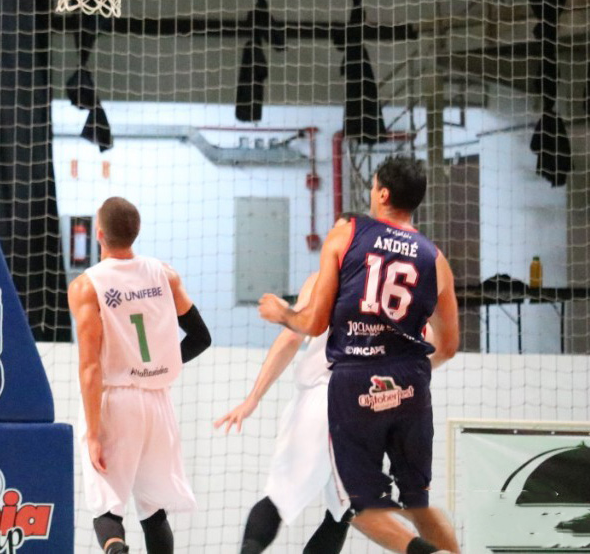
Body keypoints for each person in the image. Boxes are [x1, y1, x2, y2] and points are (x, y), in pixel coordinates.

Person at [258, 156, 461, 554]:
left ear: (383, 193)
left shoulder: (349, 235)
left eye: (372, 185)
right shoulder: (434, 258)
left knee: (359, 504)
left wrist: (281, 312)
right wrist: (412, 368)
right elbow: (449, 345)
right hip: (410, 386)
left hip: (356, 382)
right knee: (416, 501)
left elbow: (315, 323)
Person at [68, 197, 212, 554]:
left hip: (115, 400)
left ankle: (117, 550)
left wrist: (94, 432)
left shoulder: (87, 286)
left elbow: (90, 368)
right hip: (158, 403)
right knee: (153, 511)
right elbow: (201, 337)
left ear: (99, 234)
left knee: (107, 506)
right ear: (136, 233)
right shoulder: (164, 274)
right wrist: (162, 364)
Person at [215, 263, 351, 554]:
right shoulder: (392, 283)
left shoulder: (324, 279)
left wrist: (253, 398)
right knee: (342, 514)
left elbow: (291, 337)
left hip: (324, 397)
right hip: (367, 406)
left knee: (279, 499)